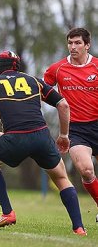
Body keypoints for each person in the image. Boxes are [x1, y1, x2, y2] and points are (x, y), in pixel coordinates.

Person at [0, 50, 86, 235]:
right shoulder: (33, 80)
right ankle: (79, 227)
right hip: (41, 136)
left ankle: (7, 212)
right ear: (17, 66)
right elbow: (64, 105)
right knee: (61, 178)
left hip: (14, 138)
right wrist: (64, 135)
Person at [44, 27, 98, 222]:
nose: (73, 47)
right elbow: (44, 91)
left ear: (87, 45)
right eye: (70, 43)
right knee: (86, 170)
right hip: (76, 129)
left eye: (77, 43)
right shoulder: (56, 69)